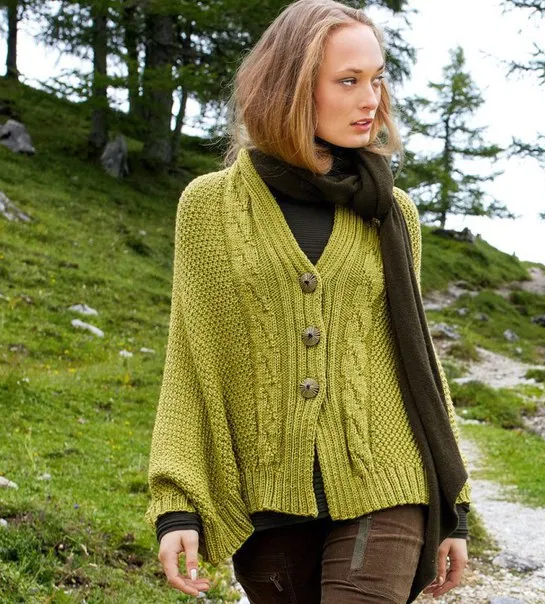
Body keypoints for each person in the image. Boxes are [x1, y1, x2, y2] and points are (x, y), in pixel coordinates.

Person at [145, 1, 472, 602]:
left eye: (377, 79)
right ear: (291, 89)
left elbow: (417, 361)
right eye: (348, 81)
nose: (371, 99)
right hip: (267, 497)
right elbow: (191, 361)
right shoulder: (209, 208)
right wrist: (177, 505)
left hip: (387, 480)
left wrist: (455, 509)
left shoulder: (392, 212)